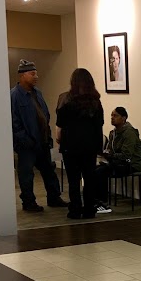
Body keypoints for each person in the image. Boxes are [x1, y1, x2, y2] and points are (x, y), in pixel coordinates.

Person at [10, 60, 67, 213]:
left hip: (42, 141)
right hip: (27, 145)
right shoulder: (14, 96)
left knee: (49, 171)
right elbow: (14, 122)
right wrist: (25, 140)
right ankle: (28, 202)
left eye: (36, 73)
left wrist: (47, 136)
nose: (36, 76)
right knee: (26, 175)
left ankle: (54, 198)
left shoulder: (38, 93)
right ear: (22, 75)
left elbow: (44, 114)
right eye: (32, 74)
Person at [56, 69, 104, 219]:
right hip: (89, 146)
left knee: (73, 180)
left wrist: (60, 140)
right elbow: (99, 125)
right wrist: (99, 147)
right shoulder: (95, 102)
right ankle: (89, 209)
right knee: (89, 179)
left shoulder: (66, 101)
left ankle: (75, 209)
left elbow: (60, 124)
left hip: (70, 146)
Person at [94, 107, 141, 213]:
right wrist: (106, 154)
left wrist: (110, 155)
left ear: (124, 118)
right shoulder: (113, 133)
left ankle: (103, 204)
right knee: (94, 170)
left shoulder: (129, 133)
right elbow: (110, 150)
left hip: (132, 164)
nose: (112, 118)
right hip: (119, 163)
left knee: (101, 172)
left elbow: (127, 155)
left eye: (115, 115)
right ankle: (94, 202)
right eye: (111, 115)